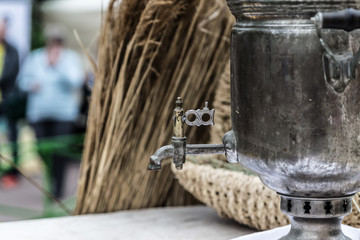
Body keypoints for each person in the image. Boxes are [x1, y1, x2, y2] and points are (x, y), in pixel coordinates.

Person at [17, 24, 84, 198]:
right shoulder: (35, 57)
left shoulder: (70, 58)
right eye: (53, 41)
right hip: (39, 113)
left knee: (59, 151)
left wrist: (58, 65)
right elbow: (22, 81)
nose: (55, 44)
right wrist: (30, 85)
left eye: (59, 41)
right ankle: (50, 179)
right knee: (43, 150)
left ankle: (58, 189)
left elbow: (76, 81)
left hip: (63, 114)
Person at [0, 17, 20, 188]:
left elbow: (11, 73)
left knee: (12, 137)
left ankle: (13, 172)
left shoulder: (12, 50)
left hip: (7, 101)